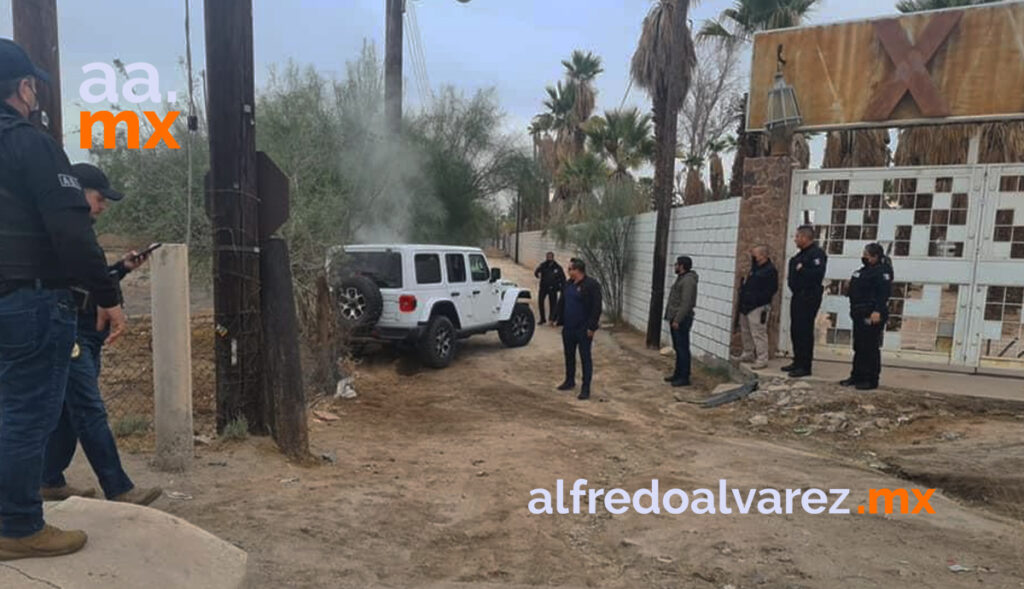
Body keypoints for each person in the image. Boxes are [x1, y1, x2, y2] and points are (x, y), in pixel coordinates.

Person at [0, 38, 125, 560]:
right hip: (31, 302)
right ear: (25, 88)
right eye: (32, 86)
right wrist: (107, 294)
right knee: (27, 415)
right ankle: (20, 526)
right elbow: (71, 232)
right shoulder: (31, 143)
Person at [41, 164, 162, 506]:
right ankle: (119, 488)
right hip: (72, 331)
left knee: (68, 411)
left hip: (84, 333)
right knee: (88, 410)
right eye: (99, 198)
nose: (103, 206)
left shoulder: (78, 231)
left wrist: (120, 270)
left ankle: (49, 480)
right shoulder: (65, 232)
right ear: (78, 193)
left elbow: (90, 281)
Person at [841, 243, 893, 391]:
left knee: (870, 347)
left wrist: (877, 311)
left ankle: (871, 379)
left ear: (875, 256)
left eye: (866, 254)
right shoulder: (864, 270)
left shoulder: (882, 272)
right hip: (859, 313)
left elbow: (883, 294)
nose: (863, 257)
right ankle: (857, 375)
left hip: (872, 314)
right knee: (859, 346)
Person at [782, 225, 827, 378]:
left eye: (797, 237)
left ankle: (805, 366)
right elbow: (793, 275)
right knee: (796, 329)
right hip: (798, 295)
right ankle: (797, 360)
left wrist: (802, 270)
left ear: (805, 238)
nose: (795, 239)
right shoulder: (799, 256)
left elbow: (816, 275)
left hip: (809, 296)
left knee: (804, 331)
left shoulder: (816, 254)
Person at [555, 259, 602, 400]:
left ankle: (585, 388)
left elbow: (596, 307)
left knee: (585, 358)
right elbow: (562, 301)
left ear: (577, 270)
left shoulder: (591, 285)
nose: (568, 271)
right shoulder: (568, 284)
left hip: (583, 329)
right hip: (568, 327)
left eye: (570, 269)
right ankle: (569, 380)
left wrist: (592, 327)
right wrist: (555, 317)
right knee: (569, 355)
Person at [737, 246, 778, 370]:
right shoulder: (755, 268)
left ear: (762, 256)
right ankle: (748, 353)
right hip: (746, 306)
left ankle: (762, 358)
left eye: (755, 254)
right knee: (746, 331)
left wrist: (757, 300)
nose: (753, 257)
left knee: (758, 333)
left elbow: (772, 289)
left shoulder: (770, 270)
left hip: (759, 307)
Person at [664, 256, 698, 387]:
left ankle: (684, 376)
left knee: (683, 348)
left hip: (682, 319)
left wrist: (677, 319)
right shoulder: (682, 279)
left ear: (682, 266)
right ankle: (678, 373)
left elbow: (686, 303)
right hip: (676, 317)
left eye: (676, 264)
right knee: (678, 348)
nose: (675, 267)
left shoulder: (688, 281)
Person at [533, 252, 565, 325]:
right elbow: (536, 272)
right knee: (540, 302)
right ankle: (542, 318)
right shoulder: (543, 265)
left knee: (553, 304)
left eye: (550, 257)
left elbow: (563, 278)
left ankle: (552, 319)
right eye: (548, 257)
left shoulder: (557, 267)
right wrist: (538, 275)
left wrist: (561, 287)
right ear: (546, 257)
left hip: (553, 288)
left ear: (553, 257)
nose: (549, 258)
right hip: (543, 287)